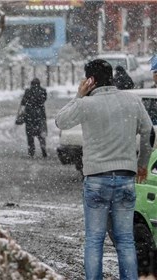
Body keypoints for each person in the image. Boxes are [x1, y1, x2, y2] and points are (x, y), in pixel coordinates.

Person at [55, 59, 153, 280]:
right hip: (126, 177)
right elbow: (148, 132)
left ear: (90, 80)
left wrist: (79, 95)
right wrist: (142, 164)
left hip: (96, 178)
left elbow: (60, 121)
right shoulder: (132, 101)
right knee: (126, 239)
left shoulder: (86, 104)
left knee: (94, 240)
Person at [20, 78, 48, 158]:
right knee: (41, 134)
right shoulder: (43, 91)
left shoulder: (28, 91)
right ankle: (43, 148)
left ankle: (31, 151)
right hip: (40, 116)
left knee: (30, 135)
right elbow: (44, 100)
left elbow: (23, 102)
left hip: (29, 116)